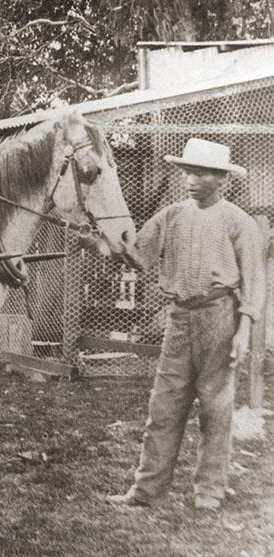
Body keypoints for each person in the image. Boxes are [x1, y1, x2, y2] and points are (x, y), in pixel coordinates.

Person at [107, 137, 266, 512]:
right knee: (164, 406)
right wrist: (102, 245)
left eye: (201, 173)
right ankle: (147, 491)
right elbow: (138, 257)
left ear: (221, 178)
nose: (191, 180)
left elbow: (254, 283)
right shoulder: (171, 215)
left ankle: (209, 490)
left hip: (220, 317)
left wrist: (243, 331)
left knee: (215, 407)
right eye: (188, 172)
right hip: (178, 319)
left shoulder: (238, 222)